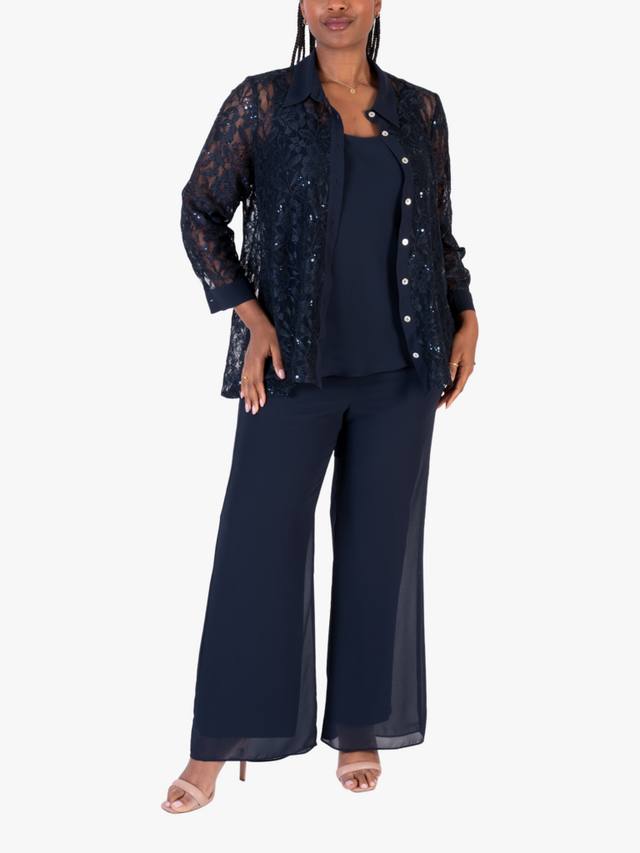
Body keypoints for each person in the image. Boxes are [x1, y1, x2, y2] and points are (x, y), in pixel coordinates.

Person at [162, 0, 478, 813]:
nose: (336, 6)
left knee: (379, 553)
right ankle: (219, 740)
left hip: (404, 371)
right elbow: (200, 211)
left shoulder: (421, 110)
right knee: (255, 550)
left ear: (378, 4)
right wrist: (252, 316)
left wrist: (467, 313)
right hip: (287, 371)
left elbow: (437, 233)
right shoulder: (263, 102)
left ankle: (360, 724)